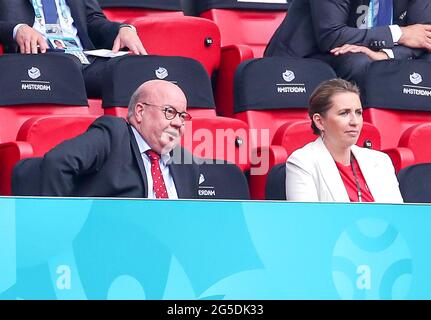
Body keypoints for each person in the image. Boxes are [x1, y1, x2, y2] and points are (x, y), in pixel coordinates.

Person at [35, 79, 200, 198]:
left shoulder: (186, 164)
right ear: (140, 112)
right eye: (169, 112)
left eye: (183, 116)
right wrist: (59, 230)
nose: (179, 123)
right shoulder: (113, 136)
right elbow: (58, 162)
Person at [285, 78, 404, 203]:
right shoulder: (302, 162)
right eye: (344, 113)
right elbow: (308, 220)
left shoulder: (381, 161)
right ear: (319, 121)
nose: (355, 122)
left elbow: (396, 217)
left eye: (358, 113)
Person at [265, 0, 431, 87]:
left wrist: (385, 55)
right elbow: (331, 35)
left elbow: (424, 36)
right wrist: (398, 34)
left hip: (366, 53)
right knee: (359, 62)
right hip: (305, 60)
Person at [0, 0, 147, 98]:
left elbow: (93, 20)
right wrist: (16, 29)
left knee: (138, 75)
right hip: (37, 59)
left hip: (84, 59)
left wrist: (123, 29)